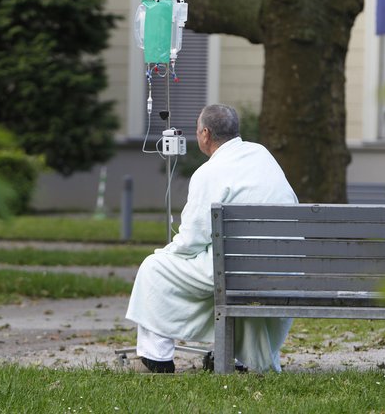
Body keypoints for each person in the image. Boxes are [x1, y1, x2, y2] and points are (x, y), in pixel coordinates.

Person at [125, 104, 299, 373]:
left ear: (205, 134)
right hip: (284, 266)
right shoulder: (262, 154)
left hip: (235, 269)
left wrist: (168, 252)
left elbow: (193, 237)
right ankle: (235, 358)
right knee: (228, 270)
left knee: (154, 268)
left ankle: (155, 357)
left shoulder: (209, 172)